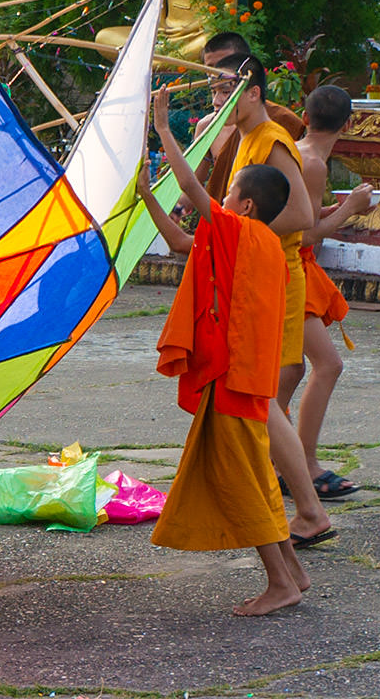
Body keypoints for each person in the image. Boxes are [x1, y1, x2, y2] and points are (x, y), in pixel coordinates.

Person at [143, 86, 307, 616]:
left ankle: (279, 581)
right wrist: (148, 196)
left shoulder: (236, 230)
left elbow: (190, 187)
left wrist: (164, 130)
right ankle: (295, 571)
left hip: (234, 377)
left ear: (246, 204)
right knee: (257, 474)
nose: (224, 198)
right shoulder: (264, 246)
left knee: (241, 478)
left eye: (230, 192)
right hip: (250, 378)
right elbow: (180, 244)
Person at [214, 54, 336, 550]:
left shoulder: (272, 141)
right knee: (263, 399)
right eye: (215, 94)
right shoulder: (244, 142)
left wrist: (239, 227)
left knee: (263, 400)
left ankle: (305, 508)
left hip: (275, 277)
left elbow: (302, 216)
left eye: (227, 93)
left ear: (254, 93)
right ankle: (289, 504)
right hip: (253, 277)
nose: (219, 103)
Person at [292, 86, 374, 500]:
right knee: (327, 365)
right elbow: (304, 234)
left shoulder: (298, 150)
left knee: (288, 374)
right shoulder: (312, 163)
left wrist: (332, 209)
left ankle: (284, 462)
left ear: (304, 117)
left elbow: (299, 217)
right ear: (349, 124)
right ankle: (303, 465)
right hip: (290, 269)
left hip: (290, 266)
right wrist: (349, 210)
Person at [193, 33, 305, 204]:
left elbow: (299, 212)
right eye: (211, 69)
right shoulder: (211, 127)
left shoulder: (276, 131)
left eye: (226, 65)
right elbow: (191, 186)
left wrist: (239, 227)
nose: (219, 74)